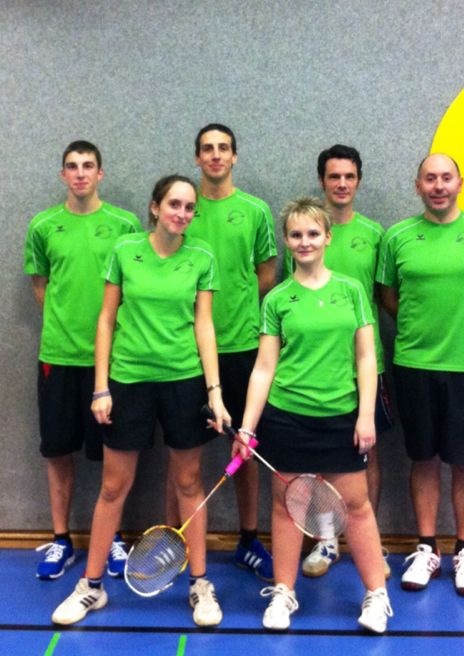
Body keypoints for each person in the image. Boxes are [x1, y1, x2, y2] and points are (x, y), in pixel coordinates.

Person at [52, 175, 230, 627]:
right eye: (174, 204)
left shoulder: (202, 257)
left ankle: (199, 584)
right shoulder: (125, 250)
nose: (182, 213)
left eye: (189, 207)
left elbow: (204, 325)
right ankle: (91, 587)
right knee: (113, 487)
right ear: (155, 207)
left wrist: (214, 391)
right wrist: (101, 387)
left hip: (184, 381)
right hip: (128, 381)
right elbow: (106, 320)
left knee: (188, 483)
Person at [232, 197, 393, 634]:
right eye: (296, 235)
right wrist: (247, 427)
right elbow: (264, 368)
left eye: (313, 234)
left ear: (327, 238)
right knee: (288, 508)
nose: (305, 242)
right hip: (287, 418)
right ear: (286, 241)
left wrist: (365, 415)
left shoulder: (351, 291)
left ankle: (376, 595)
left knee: (356, 507)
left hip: (340, 416)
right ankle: (284, 592)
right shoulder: (277, 299)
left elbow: (366, 358)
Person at [377, 153, 464, 597]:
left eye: (445, 178)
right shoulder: (398, 237)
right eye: (429, 178)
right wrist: (421, 332)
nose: (438, 186)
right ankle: (426, 549)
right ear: (417, 185)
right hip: (414, 366)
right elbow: (388, 297)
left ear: (460, 183)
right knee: (423, 458)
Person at [164, 123, 278, 581]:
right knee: (182, 453)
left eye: (223, 148)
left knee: (244, 447)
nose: (215, 155)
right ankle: (172, 539)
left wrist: (241, 310)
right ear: (197, 158)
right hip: (185, 352)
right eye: (207, 149)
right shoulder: (183, 210)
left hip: (242, 347)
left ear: (234, 156)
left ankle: (248, 539)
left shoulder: (254, 211)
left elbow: (266, 272)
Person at [23, 141, 141, 580]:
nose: (80, 173)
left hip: (112, 362)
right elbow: (41, 286)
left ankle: (112, 538)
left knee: (112, 453)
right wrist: (65, 326)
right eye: (72, 166)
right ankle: (61, 539)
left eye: (88, 165)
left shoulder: (125, 225)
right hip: (58, 357)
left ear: (100, 173)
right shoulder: (43, 226)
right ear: (63, 175)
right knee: (57, 451)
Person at [283, 145, 393, 579]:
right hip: (313, 370)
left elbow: (384, 296)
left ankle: (369, 541)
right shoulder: (305, 232)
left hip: (365, 366)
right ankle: (326, 540)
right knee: (315, 461)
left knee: (367, 448)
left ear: (358, 181)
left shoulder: (375, 234)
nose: (342, 184)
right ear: (322, 181)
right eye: (334, 176)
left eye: (349, 176)